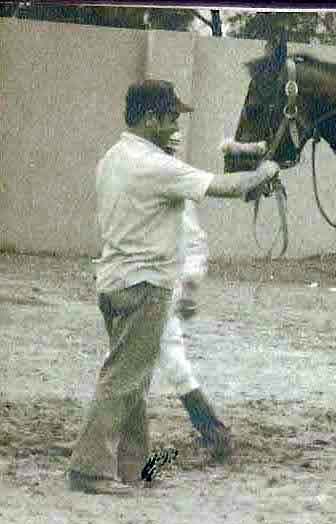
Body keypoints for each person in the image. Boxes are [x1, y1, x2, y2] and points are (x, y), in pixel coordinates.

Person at [68, 79, 279, 495]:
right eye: (170, 118)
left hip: (114, 281)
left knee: (134, 379)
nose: (174, 126)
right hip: (144, 284)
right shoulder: (155, 165)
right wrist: (267, 170)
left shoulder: (114, 157)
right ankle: (89, 469)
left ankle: (132, 469)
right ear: (150, 118)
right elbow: (227, 187)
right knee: (124, 379)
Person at [156, 132, 232, 462]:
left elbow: (195, 242)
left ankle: (215, 434)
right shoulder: (142, 172)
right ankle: (101, 438)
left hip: (161, 284)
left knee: (170, 360)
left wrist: (188, 287)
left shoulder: (173, 180)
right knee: (121, 360)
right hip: (142, 281)